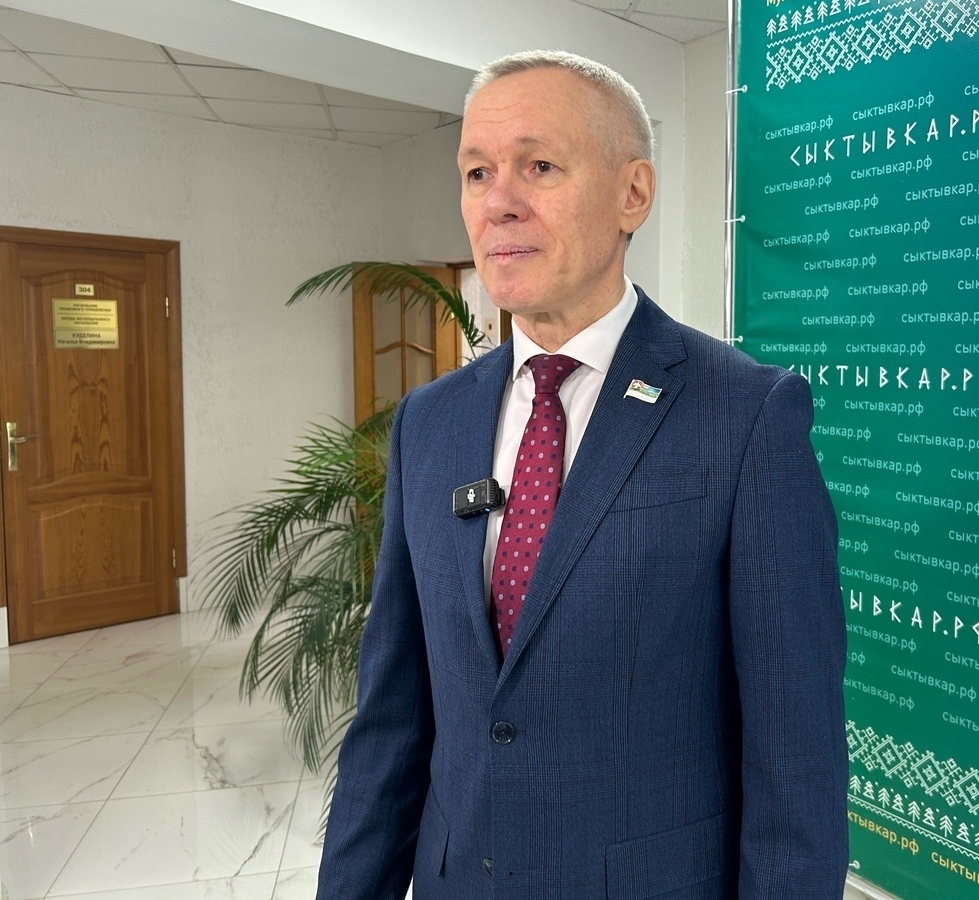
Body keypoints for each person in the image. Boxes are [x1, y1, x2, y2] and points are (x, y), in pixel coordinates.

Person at [316, 50, 848, 900]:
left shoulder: (747, 416)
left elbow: (797, 756)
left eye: (539, 166)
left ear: (633, 193)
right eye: (477, 172)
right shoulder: (430, 422)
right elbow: (391, 721)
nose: (498, 201)